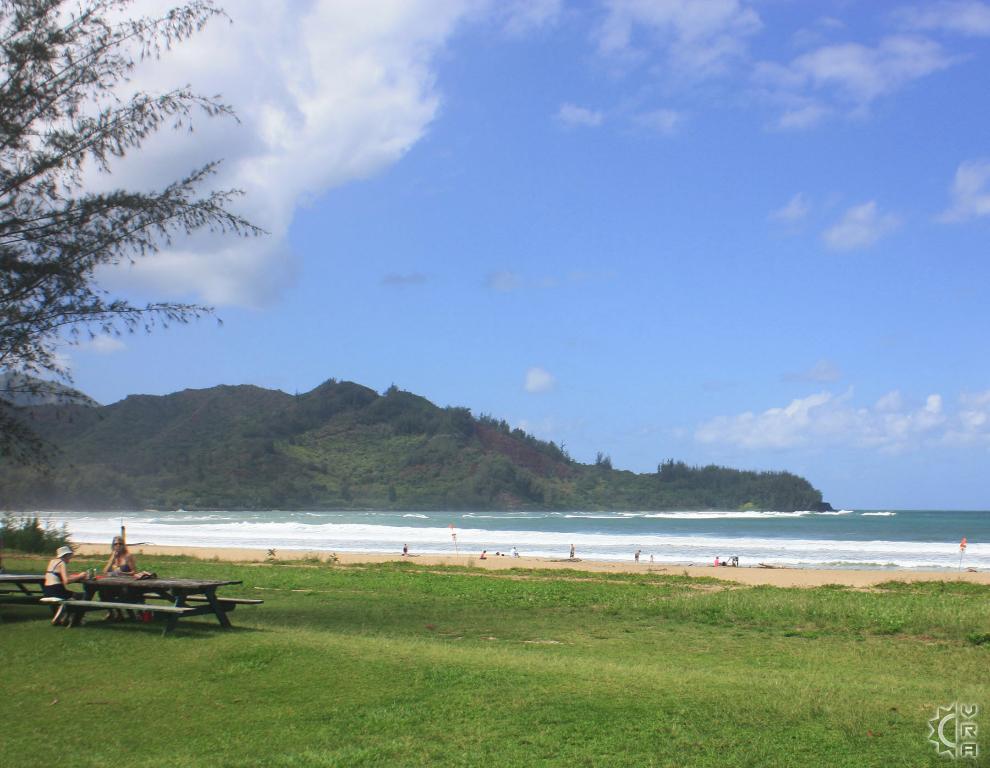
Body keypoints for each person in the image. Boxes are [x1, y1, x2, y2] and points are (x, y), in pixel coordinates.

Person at [43, 546, 86, 625]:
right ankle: (74, 618)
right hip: (56, 589)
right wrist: (80, 576)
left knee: (72, 595)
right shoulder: (62, 563)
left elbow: (59, 575)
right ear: (66, 555)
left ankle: (62, 616)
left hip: (47, 589)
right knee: (82, 596)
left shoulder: (52, 561)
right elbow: (66, 581)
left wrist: (75, 576)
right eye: (70, 556)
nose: (70, 558)